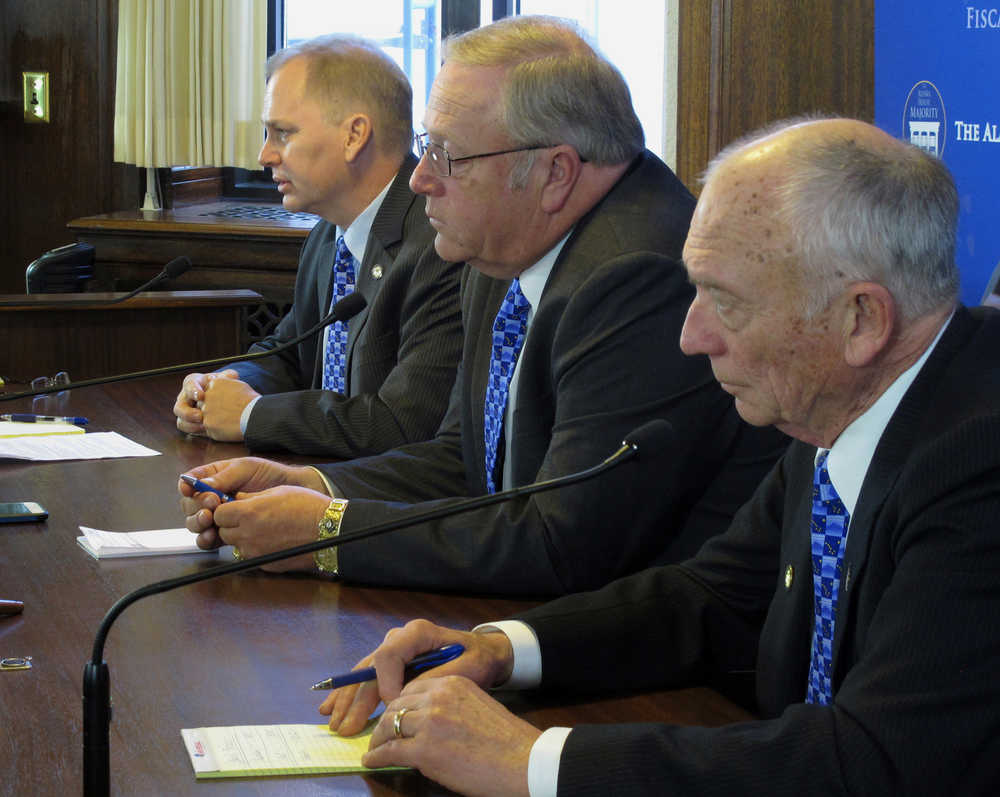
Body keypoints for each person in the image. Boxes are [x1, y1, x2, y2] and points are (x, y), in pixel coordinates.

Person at [318, 117, 1000, 795]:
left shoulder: (976, 463)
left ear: (862, 320)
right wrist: (500, 648)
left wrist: (532, 761)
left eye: (725, 302)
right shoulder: (840, 404)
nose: (690, 336)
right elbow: (712, 598)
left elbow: (873, 762)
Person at [179, 16, 788, 595]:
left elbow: (562, 543)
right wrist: (308, 484)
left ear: (554, 172)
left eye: (448, 155)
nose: (419, 178)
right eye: (426, 145)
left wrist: (328, 532)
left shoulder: (636, 278)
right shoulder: (500, 239)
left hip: (662, 662)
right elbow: (467, 461)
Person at [173, 35, 464, 458]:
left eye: (282, 133)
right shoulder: (329, 236)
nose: (264, 155)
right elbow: (288, 353)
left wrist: (251, 415)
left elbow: (403, 424)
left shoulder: (439, 243)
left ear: (355, 135)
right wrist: (223, 384)